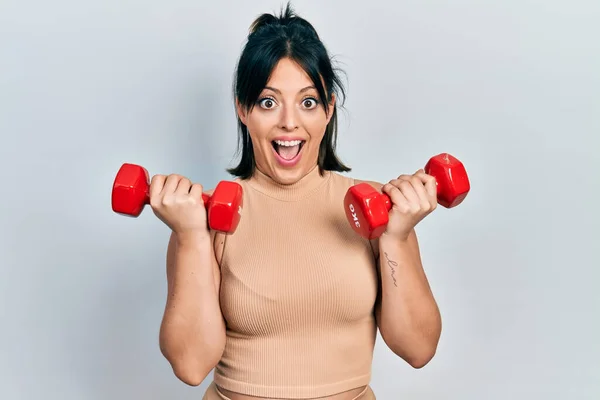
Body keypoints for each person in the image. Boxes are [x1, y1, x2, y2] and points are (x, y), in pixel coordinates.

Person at [149, 3, 442, 399]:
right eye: (268, 102)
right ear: (242, 109)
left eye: (307, 101)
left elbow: (418, 349)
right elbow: (190, 364)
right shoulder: (204, 218)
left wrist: (395, 238)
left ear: (329, 109)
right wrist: (191, 238)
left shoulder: (375, 207)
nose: (289, 122)